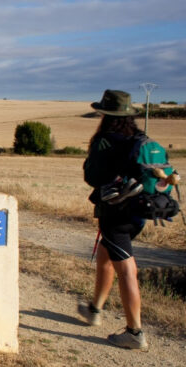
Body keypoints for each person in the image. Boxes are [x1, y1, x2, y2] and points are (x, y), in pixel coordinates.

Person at [79, 89, 148, 351]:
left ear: (105, 113)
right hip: (139, 213)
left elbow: (92, 177)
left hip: (115, 214)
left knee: (126, 267)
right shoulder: (139, 138)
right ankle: (94, 309)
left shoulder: (105, 141)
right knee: (106, 256)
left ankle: (135, 332)